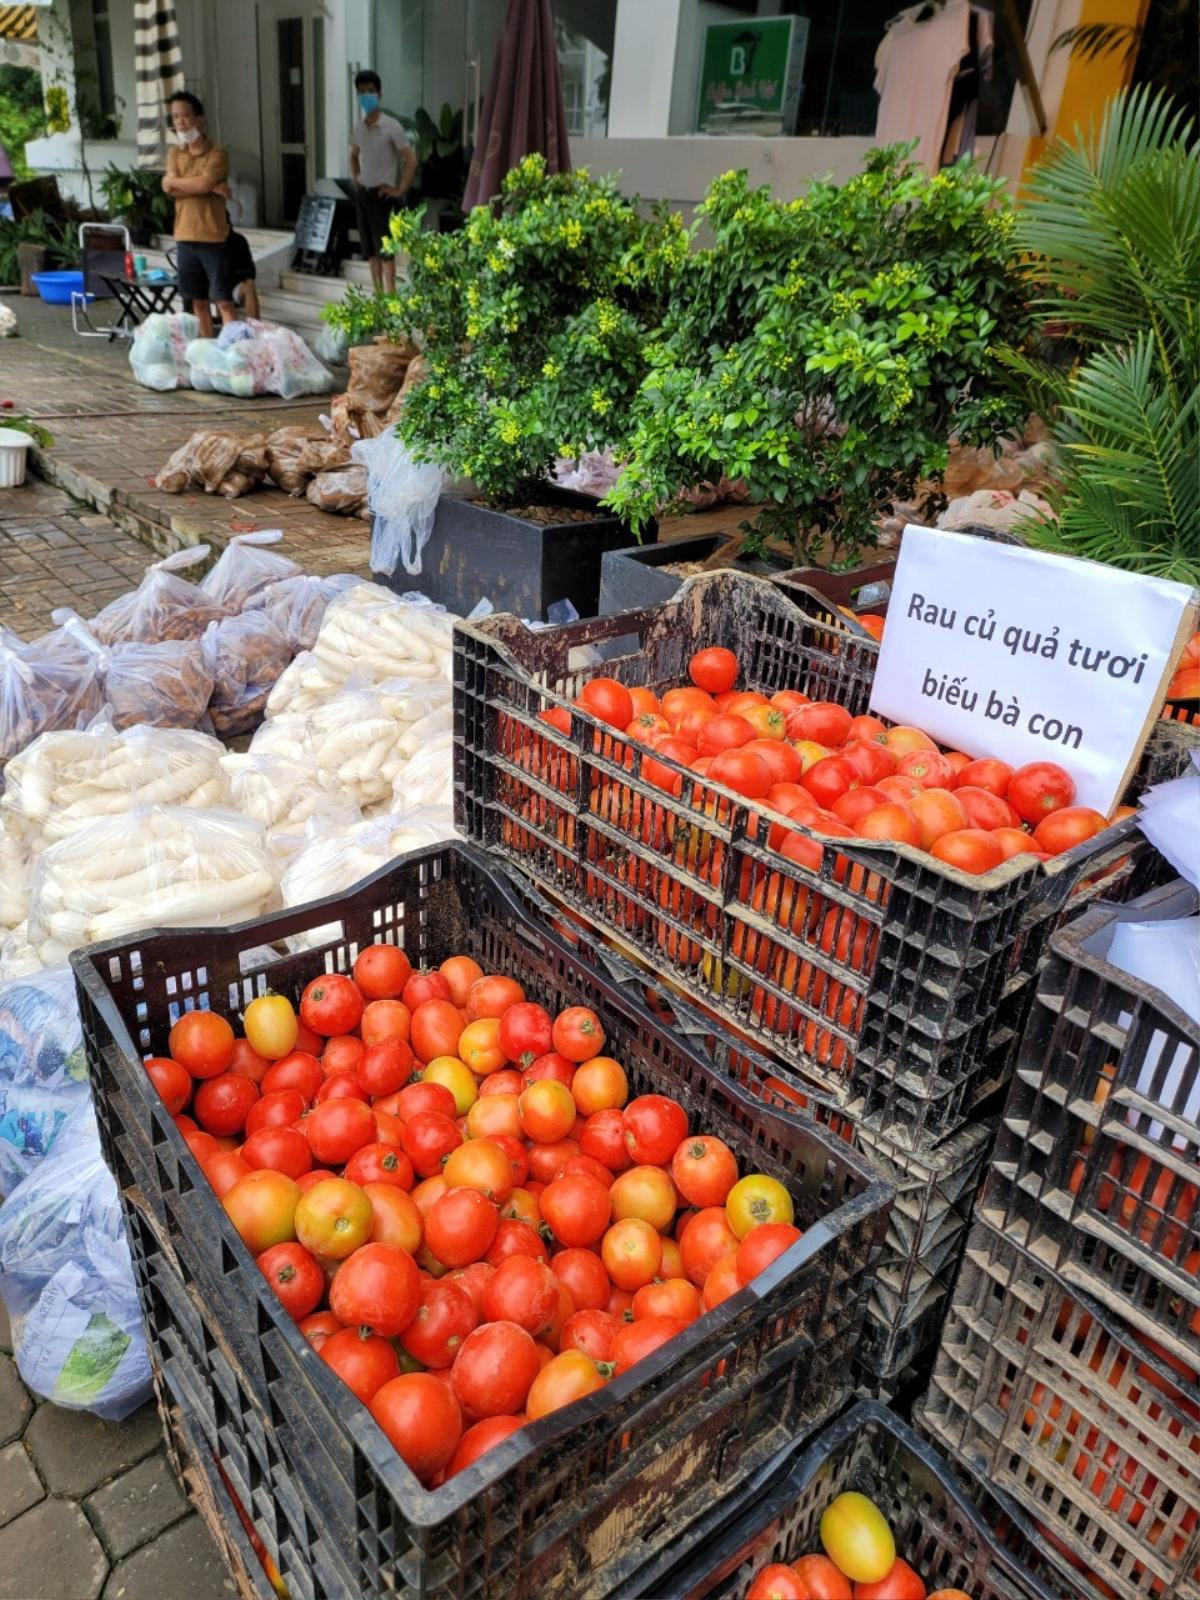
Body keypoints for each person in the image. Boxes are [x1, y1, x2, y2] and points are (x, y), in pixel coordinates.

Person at [161, 92, 235, 338]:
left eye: (185, 116)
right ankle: (207, 350)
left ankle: (235, 352)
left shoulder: (217, 152)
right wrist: (207, 186)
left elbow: (192, 184)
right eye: (175, 117)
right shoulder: (175, 153)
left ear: (200, 119)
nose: (180, 122)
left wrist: (191, 184)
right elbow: (166, 186)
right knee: (198, 302)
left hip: (213, 238)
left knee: (223, 301)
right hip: (185, 237)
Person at [349, 71, 417, 294]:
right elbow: (353, 154)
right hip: (363, 195)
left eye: (370, 91)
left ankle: (391, 297)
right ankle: (379, 299)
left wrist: (400, 190)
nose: (365, 96)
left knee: (386, 252)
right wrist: (356, 179)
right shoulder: (359, 128)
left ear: (379, 94)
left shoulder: (391, 126)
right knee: (370, 251)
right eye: (361, 92)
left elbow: (411, 160)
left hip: (383, 196)